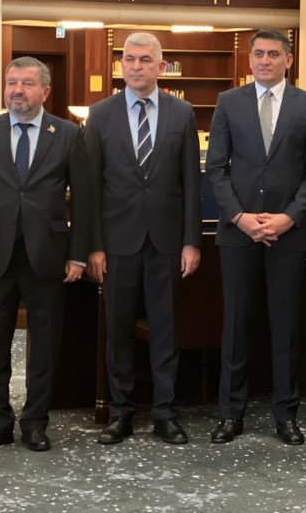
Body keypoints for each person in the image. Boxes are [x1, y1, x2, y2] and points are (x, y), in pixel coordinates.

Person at [205, 29, 306, 445]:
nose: (264, 60)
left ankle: (286, 415)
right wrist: (239, 217)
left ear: (288, 60)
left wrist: (289, 218)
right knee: (235, 326)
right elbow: (216, 168)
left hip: (287, 236)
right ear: (250, 58)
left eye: (273, 54)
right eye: (258, 53)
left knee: (285, 326)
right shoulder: (228, 102)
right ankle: (230, 414)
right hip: (238, 233)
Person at [0, 56, 90, 453]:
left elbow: (84, 199)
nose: (17, 90)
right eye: (12, 82)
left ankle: (36, 421)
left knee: (45, 343)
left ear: (45, 91)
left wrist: (78, 255)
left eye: (27, 83)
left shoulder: (67, 134)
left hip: (48, 255)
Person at [85, 32, 201, 446]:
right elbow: (91, 186)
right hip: (117, 242)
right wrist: (94, 245)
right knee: (118, 331)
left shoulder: (182, 112)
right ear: (121, 65)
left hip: (167, 241)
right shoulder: (100, 114)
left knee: (166, 330)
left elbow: (191, 181)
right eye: (129, 59)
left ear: (160, 66)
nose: (136, 66)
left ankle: (166, 414)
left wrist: (191, 241)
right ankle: (121, 413)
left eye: (145, 60)